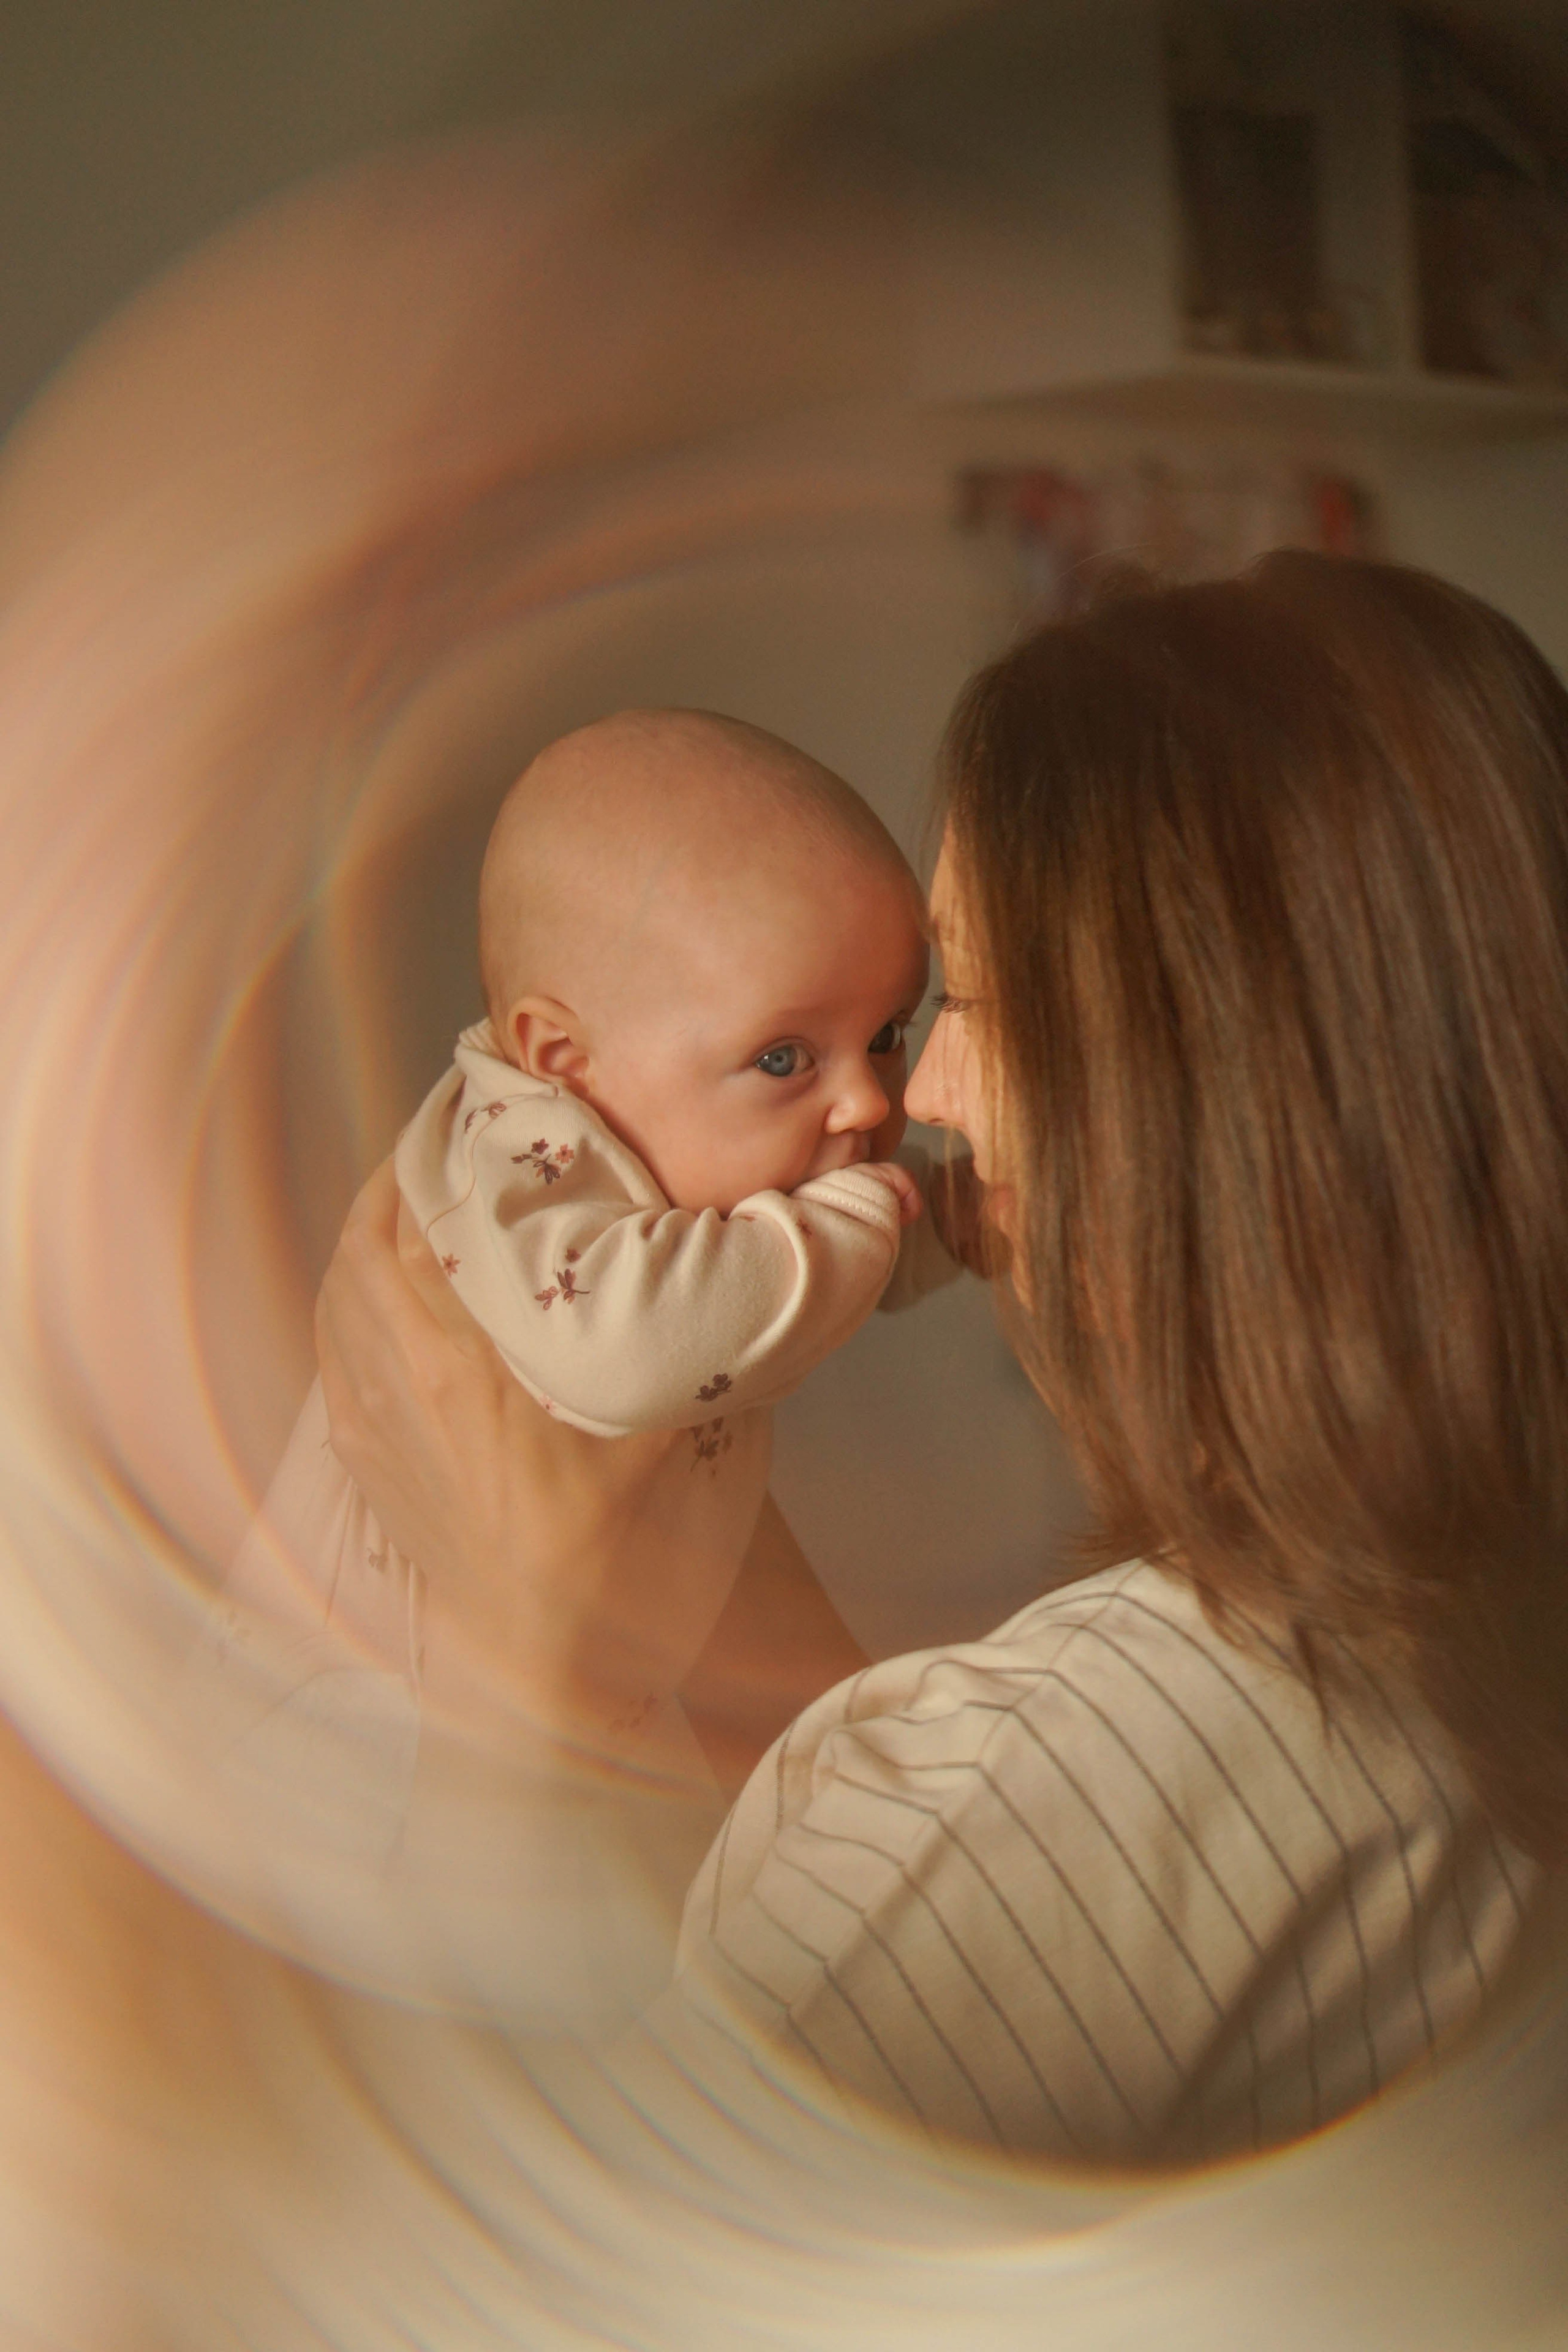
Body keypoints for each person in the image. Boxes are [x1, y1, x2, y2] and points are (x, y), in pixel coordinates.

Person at [314, 553, 1568, 2166]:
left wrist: (512, 1680)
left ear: (1215, 1086)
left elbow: (526, 2236)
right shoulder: (1468, 1641)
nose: (916, 1102)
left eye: (952, 1002)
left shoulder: (1108, 1768)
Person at [219, 706, 965, 1814]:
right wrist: (874, 1219)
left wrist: (952, 1219)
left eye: (888, 1033)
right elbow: (631, 1357)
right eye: (784, 1058)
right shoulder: (518, 1162)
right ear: (562, 1058)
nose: (867, 1101)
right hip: (347, 1751)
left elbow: (800, 1279)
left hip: (577, 1677)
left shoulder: (710, 1180)